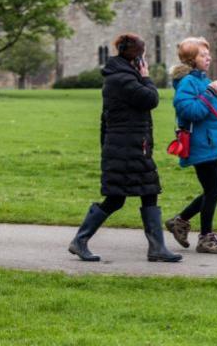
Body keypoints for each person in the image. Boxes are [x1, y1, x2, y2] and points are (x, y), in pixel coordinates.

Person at [68, 33, 182, 263]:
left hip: (132, 145)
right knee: (118, 197)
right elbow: (151, 99)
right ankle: (80, 241)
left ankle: (156, 248)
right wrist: (147, 77)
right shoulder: (122, 79)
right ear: (136, 58)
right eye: (143, 55)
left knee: (146, 192)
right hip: (126, 147)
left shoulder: (121, 76)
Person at [165, 37, 217, 254]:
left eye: (208, 54)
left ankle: (180, 220)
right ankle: (206, 237)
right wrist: (209, 93)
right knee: (213, 190)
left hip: (210, 143)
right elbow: (190, 112)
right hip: (200, 145)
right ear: (191, 60)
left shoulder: (202, 80)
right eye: (203, 55)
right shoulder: (187, 83)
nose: (209, 58)